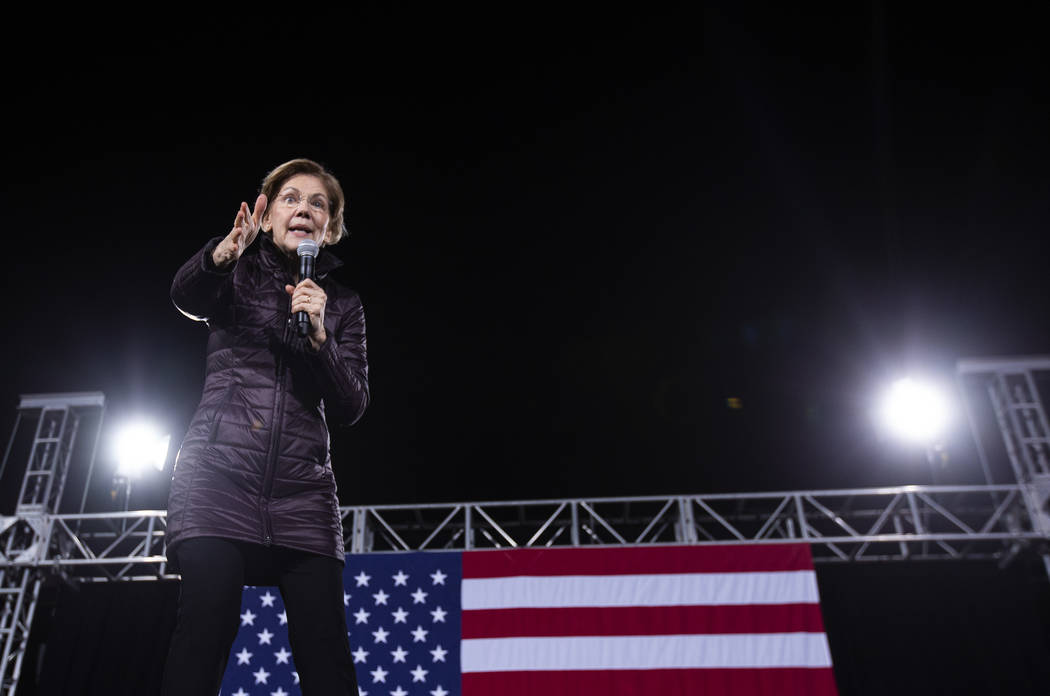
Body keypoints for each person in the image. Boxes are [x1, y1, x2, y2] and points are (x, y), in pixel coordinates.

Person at [160, 158, 368, 695]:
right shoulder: (238, 271)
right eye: (290, 198)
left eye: (318, 203)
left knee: (328, 661)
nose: (304, 208)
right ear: (267, 213)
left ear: (331, 228)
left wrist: (321, 339)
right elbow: (186, 297)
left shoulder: (342, 305)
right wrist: (218, 257)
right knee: (203, 637)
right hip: (218, 479)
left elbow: (352, 404)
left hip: (304, 495)